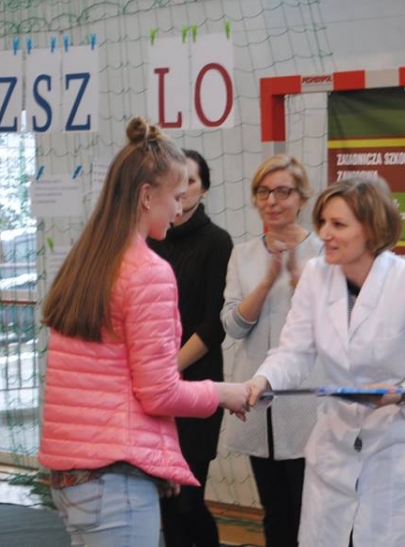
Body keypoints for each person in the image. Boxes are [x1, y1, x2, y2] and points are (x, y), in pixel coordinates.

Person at [38, 118, 249, 547]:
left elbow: (117, 381)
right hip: (112, 481)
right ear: (146, 196)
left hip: (75, 479)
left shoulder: (88, 260)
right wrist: (223, 393)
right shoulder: (147, 270)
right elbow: (158, 393)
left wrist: (160, 458)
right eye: (176, 197)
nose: (179, 209)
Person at [244, 177, 405, 547]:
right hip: (334, 451)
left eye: (338, 224)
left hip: (398, 455)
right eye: (323, 222)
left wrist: (402, 393)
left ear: (371, 229)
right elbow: (294, 350)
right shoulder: (316, 276)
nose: (325, 234)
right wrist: (263, 380)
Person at [220, 154, 323, 547]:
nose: (272, 201)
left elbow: (332, 327)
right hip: (256, 397)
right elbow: (233, 326)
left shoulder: (323, 252)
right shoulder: (242, 254)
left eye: (283, 191)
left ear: (301, 198)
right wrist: (265, 283)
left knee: (310, 511)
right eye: (263, 192)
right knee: (274, 512)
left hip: (307, 400)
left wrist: (296, 278)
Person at [148, 150, 233, 547]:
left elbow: (214, 324)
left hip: (196, 382)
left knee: (187, 501)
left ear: (205, 190)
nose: (182, 190)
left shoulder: (217, 242)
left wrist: (170, 367)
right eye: (177, 181)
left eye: (191, 181)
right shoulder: (151, 239)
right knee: (165, 502)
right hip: (154, 385)